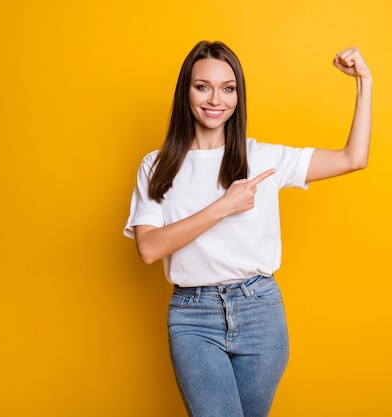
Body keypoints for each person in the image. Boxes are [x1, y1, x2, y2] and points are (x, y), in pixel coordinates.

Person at [124, 40, 372, 417]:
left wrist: (364, 82)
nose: (215, 100)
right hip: (194, 317)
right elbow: (149, 248)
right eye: (202, 86)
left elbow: (353, 158)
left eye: (228, 88)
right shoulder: (158, 166)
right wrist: (224, 206)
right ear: (185, 91)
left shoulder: (262, 158)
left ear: (238, 95)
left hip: (260, 312)